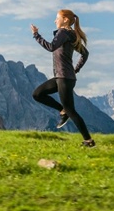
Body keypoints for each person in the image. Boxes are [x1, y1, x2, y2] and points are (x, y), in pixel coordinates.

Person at [30, 9, 95, 147]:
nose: (55, 20)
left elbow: (51, 47)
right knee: (37, 94)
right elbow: (85, 54)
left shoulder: (64, 33)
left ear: (65, 19)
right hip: (63, 77)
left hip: (64, 77)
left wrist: (36, 35)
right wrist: (75, 70)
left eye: (57, 18)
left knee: (71, 111)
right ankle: (62, 110)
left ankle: (88, 141)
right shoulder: (71, 35)